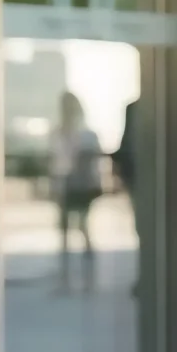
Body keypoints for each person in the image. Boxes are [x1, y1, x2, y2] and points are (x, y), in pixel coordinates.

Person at [51, 92, 104, 284]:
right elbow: (57, 163)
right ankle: (67, 273)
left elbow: (91, 163)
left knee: (81, 225)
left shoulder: (85, 135)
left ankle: (85, 272)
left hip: (80, 185)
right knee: (67, 228)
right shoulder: (60, 133)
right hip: (68, 184)